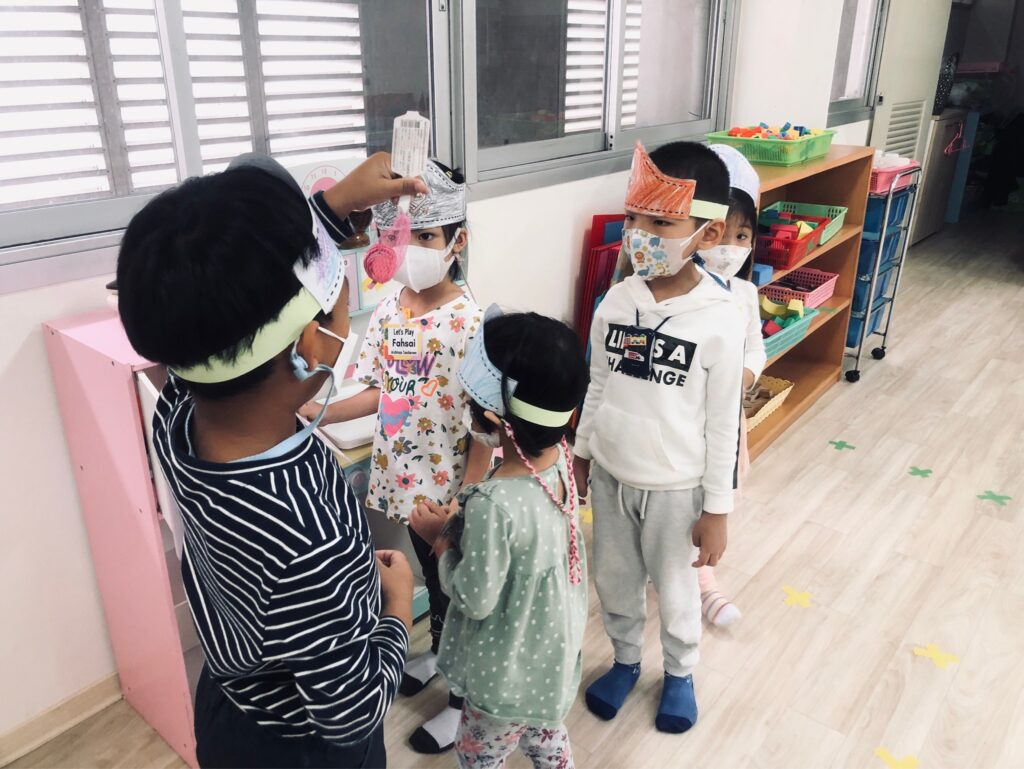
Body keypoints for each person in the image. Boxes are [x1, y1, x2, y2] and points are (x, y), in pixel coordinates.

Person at [117, 151, 425, 768]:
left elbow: (214, 314)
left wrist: (330, 210)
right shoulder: (306, 536)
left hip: (231, 706)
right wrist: (395, 608)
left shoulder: (178, 416)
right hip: (302, 748)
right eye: (338, 298)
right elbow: (351, 712)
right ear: (311, 343)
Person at [302, 160, 489, 755]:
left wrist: (466, 498)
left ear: (458, 241)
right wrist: (316, 412)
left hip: (448, 494)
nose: (410, 250)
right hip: (403, 485)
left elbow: (485, 428)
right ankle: (437, 654)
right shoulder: (390, 310)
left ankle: (462, 704)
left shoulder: (472, 324)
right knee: (433, 582)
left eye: (426, 236)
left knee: (458, 593)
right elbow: (382, 389)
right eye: (401, 236)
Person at [574, 141, 745, 734]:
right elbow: (598, 384)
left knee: (675, 591)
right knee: (615, 580)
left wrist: (717, 510)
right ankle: (624, 660)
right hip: (611, 475)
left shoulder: (721, 319)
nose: (639, 235)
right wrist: (581, 453)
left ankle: (679, 672)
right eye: (634, 218)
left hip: (677, 489)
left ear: (708, 231)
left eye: (661, 223)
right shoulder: (616, 302)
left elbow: (723, 424)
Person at [409, 308, 590, 769]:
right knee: (545, 737)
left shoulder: (495, 503)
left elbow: (475, 598)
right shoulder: (559, 457)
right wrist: (463, 522)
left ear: (490, 417)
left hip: (503, 675)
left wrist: (441, 540)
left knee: (478, 755)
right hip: (548, 654)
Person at [693, 143, 766, 628]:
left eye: (743, 236)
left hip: (723, 416)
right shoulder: (677, 290)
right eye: (721, 233)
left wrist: (744, 375)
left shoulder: (745, 294)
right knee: (680, 491)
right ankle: (677, 568)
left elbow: (755, 348)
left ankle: (703, 579)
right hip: (683, 412)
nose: (731, 247)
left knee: (714, 491)